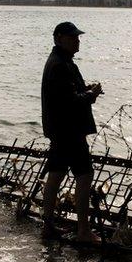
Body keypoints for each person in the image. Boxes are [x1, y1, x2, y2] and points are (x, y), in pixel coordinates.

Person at [41, 21, 103, 242]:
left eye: (78, 37)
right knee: (84, 177)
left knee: (55, 176)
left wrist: (86, 90)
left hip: (61, 130)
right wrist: (91, 95)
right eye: (73, 37)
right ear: (59, 38)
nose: (78, 41)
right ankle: (83, 231)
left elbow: (68, 94)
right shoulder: (60, 65)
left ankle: (48, 226)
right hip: (70, 131)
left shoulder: (61, 62)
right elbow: (69, 101)